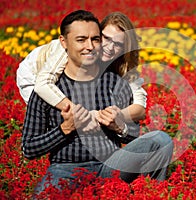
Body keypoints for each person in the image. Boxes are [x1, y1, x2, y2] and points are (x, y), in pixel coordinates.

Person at [21, 10, 173, 195]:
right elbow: (29, 149)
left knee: (160, 140)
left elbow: (134, 134)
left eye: (95, 39)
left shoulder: (115, 82)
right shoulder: (47, 91)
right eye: (81, 40)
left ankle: (152, 195)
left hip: (111, 165)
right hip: (66, 170)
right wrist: (66, 129)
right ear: (64, 42)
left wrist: (119, 126)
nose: (90, 46)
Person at [17, 13, 147, 123]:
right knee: (59, 120)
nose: (110, 47)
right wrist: (84, 115)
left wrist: (118, 115)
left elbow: (140, 107)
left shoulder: (122, 63)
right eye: (106, 38)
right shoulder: (69, 49)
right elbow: (43, 85)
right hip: (33, 75)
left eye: (118, 44)